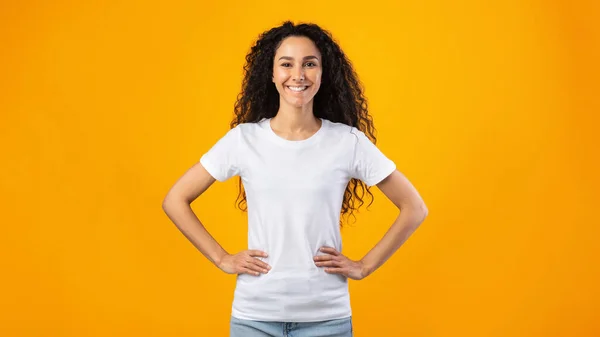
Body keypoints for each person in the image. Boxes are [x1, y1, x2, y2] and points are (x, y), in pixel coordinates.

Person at [162, 21, 428, 337]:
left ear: (322, 73)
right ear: (272, 74)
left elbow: (414, 207)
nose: (298, 74)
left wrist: (365, 266)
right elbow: (174, 200)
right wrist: (220, 258)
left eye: (309, 64)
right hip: (254, 318)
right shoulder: (244, 140)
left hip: (326, 320)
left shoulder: (347, 142)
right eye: (286, 64)